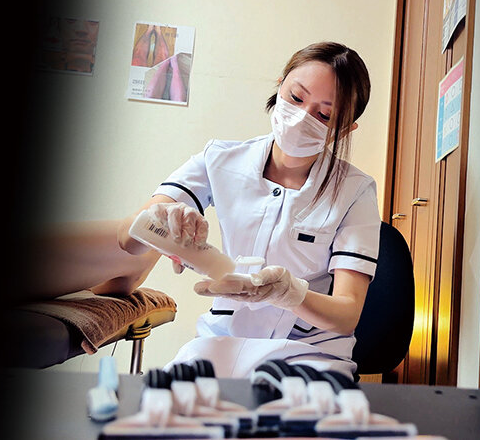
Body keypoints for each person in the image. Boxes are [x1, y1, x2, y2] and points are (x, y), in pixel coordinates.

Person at [116, 41, 379, 379]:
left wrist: (290, 293)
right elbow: (128, 239)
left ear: (344, 129)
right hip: (221, 342)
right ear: (280, 85)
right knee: (168, 406)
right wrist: (161, 223)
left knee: (293, 413)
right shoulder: (220, 159)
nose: (301, 118)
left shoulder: (355, 191)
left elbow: (346, 314)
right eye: (296, 98)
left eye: (324, 115)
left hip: (310, 353)